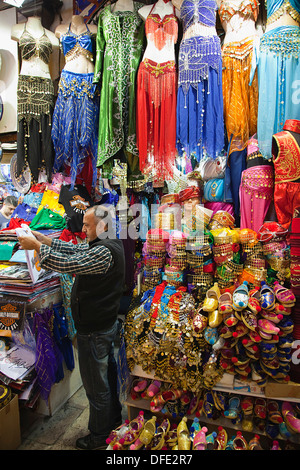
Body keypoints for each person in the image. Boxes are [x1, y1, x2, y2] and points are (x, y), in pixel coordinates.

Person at [17, 205, 125, 450]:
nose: (83, 229)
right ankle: (114, 420)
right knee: (105, 378)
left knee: (96, 387)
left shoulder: (104, 252)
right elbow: (74, 250)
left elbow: (72, 264)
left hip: (95, 329)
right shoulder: (104, 242)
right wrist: (44, 239)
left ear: (103, 226)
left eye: (87, 225)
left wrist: (36, 248)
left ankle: (99, 436)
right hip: (101, 325)